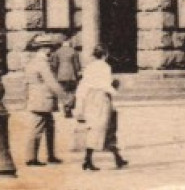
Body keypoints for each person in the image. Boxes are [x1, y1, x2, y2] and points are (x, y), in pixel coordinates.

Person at [74, 45, 126, 171]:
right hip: (101, 98)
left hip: (90, 98)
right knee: (103, 127)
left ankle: (117, 158)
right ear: (106, 55)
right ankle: (88, 159)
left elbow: (83, 85)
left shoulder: (89, 67)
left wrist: (79, 104)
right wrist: (115, 89)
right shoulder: (105, 67)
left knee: (97, 127)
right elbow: (105, 85)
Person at [22, 35, 68, 166]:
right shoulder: (42, 63)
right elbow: (51, 82)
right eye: (49, 48)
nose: (51, 51)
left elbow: (25, 83)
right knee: (37, 128)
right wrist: (65, 98)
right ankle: (31, 158)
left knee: (49, 127)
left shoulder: (32, 62)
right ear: (44, 48)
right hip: (43, 100)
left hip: (37, 99)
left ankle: (51, 155)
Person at [52, 34, 81, 117]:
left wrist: (56, 74)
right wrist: (78, 73)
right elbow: (77, 65)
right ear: (69, 41)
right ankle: (69, 106)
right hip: (71, 75)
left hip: (61, 75)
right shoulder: (73, 51)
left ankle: (65, 106)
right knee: (72, 91)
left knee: (63, 91)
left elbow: (54, 65)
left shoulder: (57, 52)